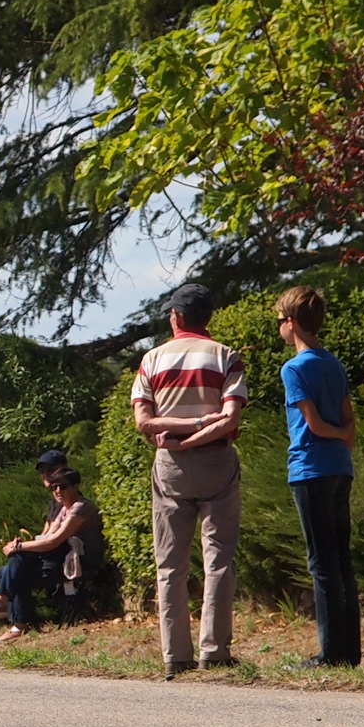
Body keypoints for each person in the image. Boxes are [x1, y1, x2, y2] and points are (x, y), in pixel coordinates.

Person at [132, 284, 247, 677]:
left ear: (177, 317)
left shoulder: (151, 359)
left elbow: (143, 422)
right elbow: (230, 419)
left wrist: (179, 441)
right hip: (216, 461)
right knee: (219, 559)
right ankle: (214, 651)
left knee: (170, 564)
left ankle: (175, 655)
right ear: (207, 317)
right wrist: (200, 428)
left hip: (170, 465)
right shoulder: (226, 356)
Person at [277, 285, 360, 668]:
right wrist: (343, 437)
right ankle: (349, 651)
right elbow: (347, 421)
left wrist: (335, 434)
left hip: (310, 468)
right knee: (341, 560)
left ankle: (329, 654)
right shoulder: (334, 364)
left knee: (321, 564)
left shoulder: (294, 368)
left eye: (280, 320)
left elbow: (312, 423)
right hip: (340, 467)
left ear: (292, 323)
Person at [0, 458, 102, 643]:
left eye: (63, 487)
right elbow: (46, 536)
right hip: (61, 558)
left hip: (78, 563)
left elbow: (53, 541)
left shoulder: (80, 508)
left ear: (75, 486)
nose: (58, 491)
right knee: (6, 571)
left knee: (17, 571)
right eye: (54, 488)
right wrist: (20, 545)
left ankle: (13, 618)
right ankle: (10, 614)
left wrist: (19, 547)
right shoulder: (64, 509)